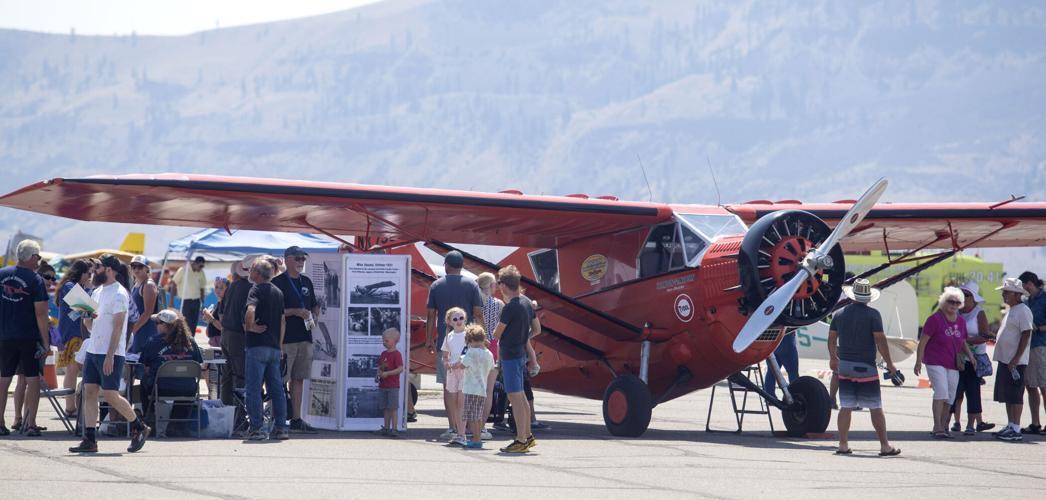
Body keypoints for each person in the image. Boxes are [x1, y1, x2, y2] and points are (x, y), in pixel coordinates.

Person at [69, 253, 150, 453]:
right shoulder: (97, 292)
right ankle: (90, 438)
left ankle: (139, 426)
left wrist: (110, 355)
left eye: (97, 268)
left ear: (109, 270)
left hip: (110, 351)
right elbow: (90, 325)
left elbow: (118, 327)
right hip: (94, 349)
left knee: (111, 395)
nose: (93, 272)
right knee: (89, 392)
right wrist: (84, 311)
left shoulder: (119, 294)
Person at [828, 279, 901, 456]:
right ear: (868, 298)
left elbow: (831, 339)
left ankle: (843, 445)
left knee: (846, 406)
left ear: (852, 296)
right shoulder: (873, 315)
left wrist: (833, 358)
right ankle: (885, 446)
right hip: (866, 367)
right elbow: (880, 341)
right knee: (875, 407)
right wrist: (890, 364)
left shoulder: (839, 314)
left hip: (845, 365)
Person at [424, 250, 483, 439]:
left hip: (446, 341)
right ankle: (466, 427)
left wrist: (428, 339)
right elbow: (478, 313)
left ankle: (452, 426)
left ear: (446, 265)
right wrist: (481, 338)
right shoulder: (472, 285)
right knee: (468, 384)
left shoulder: (436, 285)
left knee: (449, 385)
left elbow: (431, 315)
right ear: (462, 266)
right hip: (469, 341)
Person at [0, 240, 51, 437]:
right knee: (32, 379)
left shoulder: (2, 274)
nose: (38, 261)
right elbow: (41, 313)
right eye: (37, 257)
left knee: (4, 379)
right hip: (28, 336)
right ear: (31, 257)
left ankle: (1, 422)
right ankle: (31, 424)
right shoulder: (35, 279)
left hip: (5, 336)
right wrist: (46, 342)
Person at [915, 287, 978, 439]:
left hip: (953, 362)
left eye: (957, 302)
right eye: (951, 302)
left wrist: (971, 356)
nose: (954, 305)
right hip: (935, 361)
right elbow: (923, 341)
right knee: (941, 391)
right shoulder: (935, 319)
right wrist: (918, 361)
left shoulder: (961, 321)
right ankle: (937, 426)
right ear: (943, 302)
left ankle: (943, 426)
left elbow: (962, 340)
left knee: (951, 396)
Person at [271, 246, 319, 434]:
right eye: (298, 258)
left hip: (305, 337)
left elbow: (314, 305)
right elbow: (273, 312)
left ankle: (297, 418)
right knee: (280, 380)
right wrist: (295, 312)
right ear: (287, 259)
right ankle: (279, 419)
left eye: (303, 259)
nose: (301, 262)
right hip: (285, 340)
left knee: (299, 379)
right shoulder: (277, 282)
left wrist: (314, 315)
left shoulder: (306, 281)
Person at [493, 265, 541, 453]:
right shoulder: (527, 302)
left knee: (515, 397)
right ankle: (527, 435)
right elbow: (537, 329)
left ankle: (521, 439)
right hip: (520, 354)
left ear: (504, 285)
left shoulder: (510, 307)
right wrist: (523, 337)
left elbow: (497, 334)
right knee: (521, 398)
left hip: (510, 356)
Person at [243, 258, 289, 441]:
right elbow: (283, 321)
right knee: (277, 389)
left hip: (257, 346)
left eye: (252, 269)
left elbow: (250, 310)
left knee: (254, 389)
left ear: (258, 273)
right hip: (274, 348)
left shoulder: (255, 289)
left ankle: (257, 428)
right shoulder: (278, 292)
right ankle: (281, 427)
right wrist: (280, 345)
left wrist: (250, 327)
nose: (249, 272)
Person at [138, 309, 203, 424]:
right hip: (188, 389)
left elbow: (145, 367)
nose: (156, 326)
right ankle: (178, 424)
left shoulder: (153, 342)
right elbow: (199, 365)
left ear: (166, 326)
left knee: (143, 382)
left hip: (161, 388)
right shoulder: (191, 342)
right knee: (182, 384)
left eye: (157, 323)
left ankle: (150, 417)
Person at [950, 281, 995, 435]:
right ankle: (953, 422)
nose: (963, 297)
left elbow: (985, 336)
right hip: (957, 357)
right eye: (961, 293)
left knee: (972, 390)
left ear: (973, 298)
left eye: (966, 294)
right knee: (955, 390)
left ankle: (971, 424)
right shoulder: (956, 311)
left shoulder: (979, 313)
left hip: (974, 358)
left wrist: (965, 340)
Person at [993, 277, 1034, 442]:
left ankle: (1016, 428)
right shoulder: (1013, 309)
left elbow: (1026, 333)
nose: (1003, 294)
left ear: (1017, 294)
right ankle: (1011, 425)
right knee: (1008, 394)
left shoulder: (1023, 310)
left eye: (1007, 292)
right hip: (1006, 359)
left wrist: (1016, 359)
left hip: (1015, 361)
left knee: (1015, 394)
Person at [55, 259, 92, 417]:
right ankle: (70, 407)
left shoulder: (72, 286)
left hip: (73, 333)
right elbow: (88, 309)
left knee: (73, 369)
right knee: (72, 369)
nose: (89, 277)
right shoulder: (70, 287)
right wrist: (91, 290)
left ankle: (71, 406)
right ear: (81, 273)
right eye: (88, 273)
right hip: (72, 334)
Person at [220, 256, 253, 409]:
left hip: (226, 333)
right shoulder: (249, 288)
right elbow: (244, 316)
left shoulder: (233, 285)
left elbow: (222, 311)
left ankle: (227, 410)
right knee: (240, 375)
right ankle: (239, 416)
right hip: (238, 335)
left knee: (228, 375)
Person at [1019, 271, 1046, 435]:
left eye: (1023, 285)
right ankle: (1035, 422)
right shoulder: (1027, 301)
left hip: (1041, 346)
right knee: (1030, 386)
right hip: (1028, 347)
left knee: (1044, 386)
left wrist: (1039, 328)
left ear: (1029, 283)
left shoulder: (1044, 298)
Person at [476, 272, 502, 440]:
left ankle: (470, 425)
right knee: (488, 390)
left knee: (473, 389)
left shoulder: (475, 304)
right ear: (491, 286)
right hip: (492, 346)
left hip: (476, 345)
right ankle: (482, 427)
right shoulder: (499, 304)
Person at [460, 324, 495, 449]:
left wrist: (461, 357)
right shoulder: (489, 354)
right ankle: (478, 437)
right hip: (482, 389)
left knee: (472, 416)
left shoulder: (471, 352)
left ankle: (476, 440)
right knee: (478, 416)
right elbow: (491, 368)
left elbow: (462, 365)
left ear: (470, 340)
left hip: (471, 388)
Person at [441, 307, 469, 446]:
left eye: (461, 318)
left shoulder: (469, 334)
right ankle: (459, 433)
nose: (458, 321)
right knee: (455, 403)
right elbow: (445, 355)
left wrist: (462, 362)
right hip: (452, 372)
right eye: (455, 319)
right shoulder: (449, 336)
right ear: (450, 322)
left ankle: (462, 434)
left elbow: (473, 351)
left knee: (461, 402)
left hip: (465, 371)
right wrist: (446, 363)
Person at [128, 255, 160, 355]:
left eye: (140, 266)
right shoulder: (136, 284)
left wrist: (132, 330)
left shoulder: (148, 285)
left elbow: (147, 313)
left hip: (146, 331)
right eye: (134, 266)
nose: (136, 269)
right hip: (137, 331)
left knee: (142, 364)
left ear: (147, 269)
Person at [374, 328, 404, 437]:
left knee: (393, 408)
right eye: (383, 340)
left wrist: (388, 374)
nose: (384, 342)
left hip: (393, 386)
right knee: (385, 408)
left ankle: (394, 429)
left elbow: (400, 369)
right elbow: (380, 367)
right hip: (383, 385)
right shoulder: (383, 354)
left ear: (394, 340)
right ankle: (386, 428)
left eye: (386, 340)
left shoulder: (397, 354)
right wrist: (377, 375)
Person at [170, 255, 207, 332]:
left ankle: (191, 342)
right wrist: (171, 301)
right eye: (200, 266)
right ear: (195, 263)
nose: (201, 268)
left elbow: (202, 288)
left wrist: (202, 304)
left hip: (196, 301)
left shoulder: (201, 272)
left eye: (203, 266)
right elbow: (174, 283)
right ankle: (185, 342)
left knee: (194, 324)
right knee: (185, 324)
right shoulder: (183, 270)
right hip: (185, 302)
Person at [763, 330, 799, 396]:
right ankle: (795, 395)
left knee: (772, 371)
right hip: (786, 337)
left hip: (772, 338)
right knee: (793, 372)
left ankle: (769, 396)